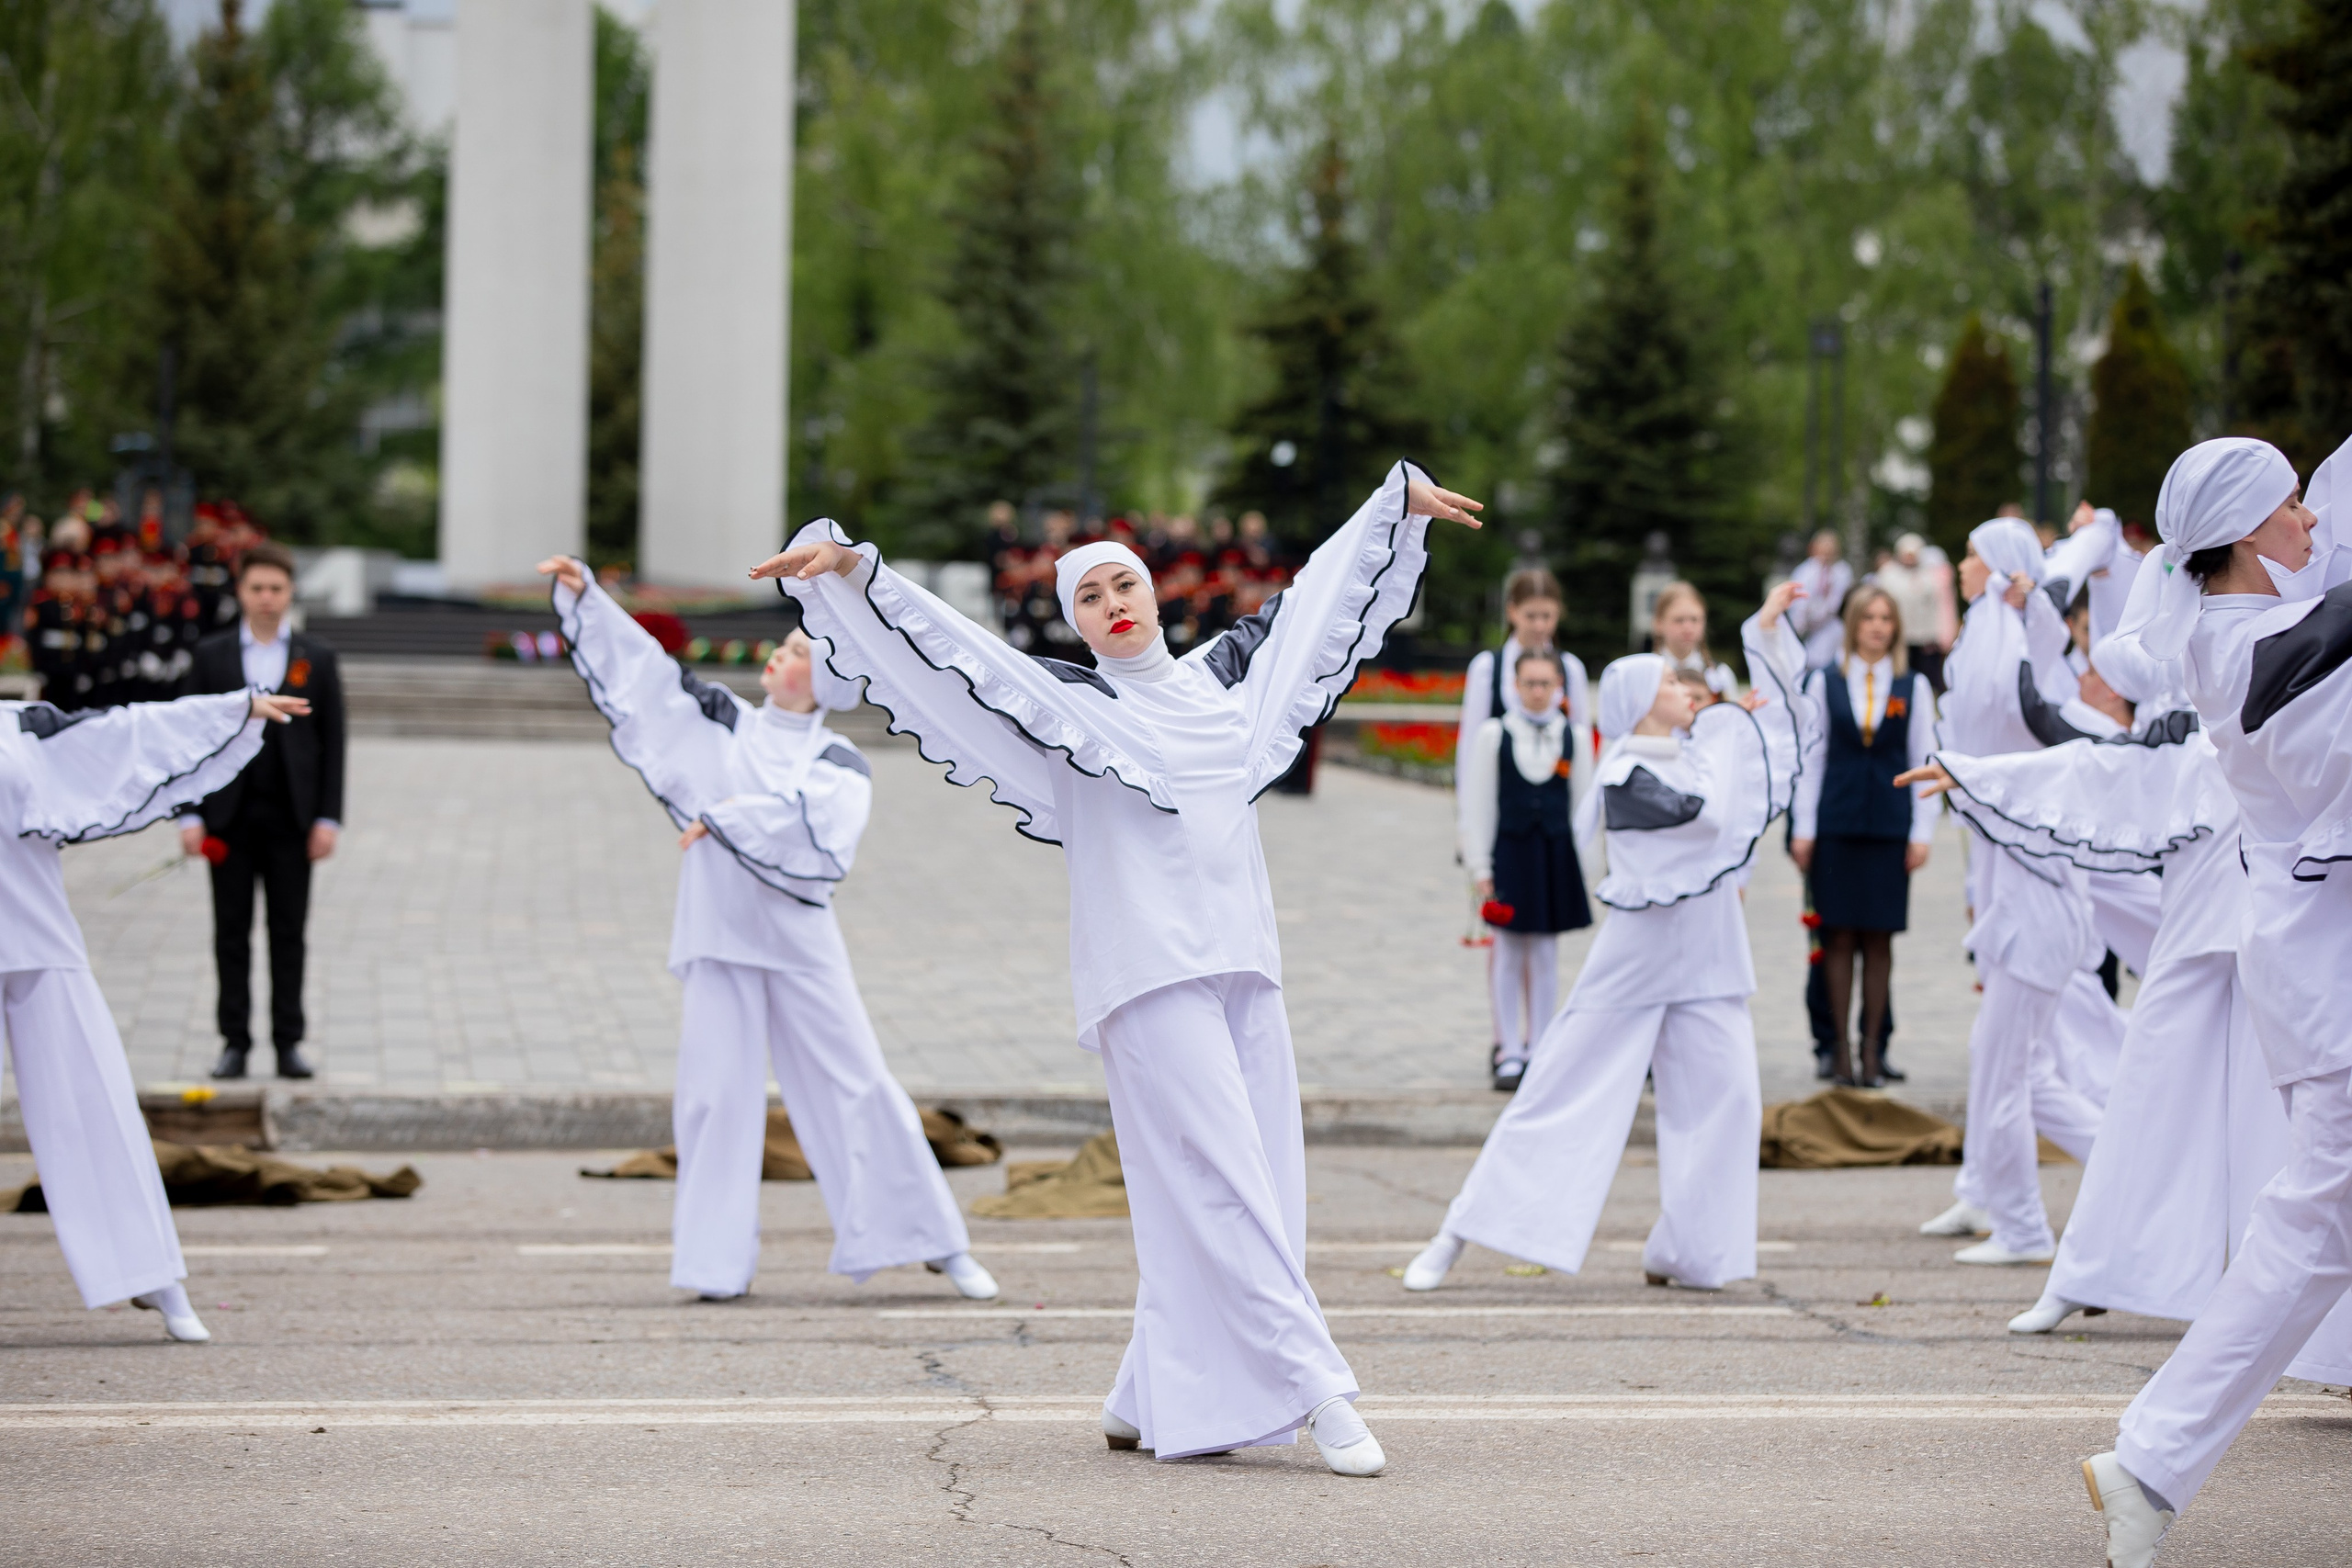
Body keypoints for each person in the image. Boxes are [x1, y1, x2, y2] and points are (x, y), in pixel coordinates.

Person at [754, 460, 1484, 1475]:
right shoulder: (1068, 710)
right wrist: (854, 571)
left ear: (1151, 593)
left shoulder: (1226, 687)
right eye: (1087, 597)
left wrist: (1389, 507)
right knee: (1224, 1183)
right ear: (1076, 622)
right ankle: (1319, 1390)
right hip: (1146, 981)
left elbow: (1310, 601)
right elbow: (950, 653)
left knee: (1262, 1185)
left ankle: (1146, 1390)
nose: (1111, 605)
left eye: (1123, 586)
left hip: (1244, 966)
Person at [540, 556, 995, 1304]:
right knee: (715, 1095)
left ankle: (937, 1244)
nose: (781, 656)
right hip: (718, 931)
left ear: (826, 685)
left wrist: (721, 818)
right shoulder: (724, 721)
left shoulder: (837, 761)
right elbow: (650, 678)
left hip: (797, 942)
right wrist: (590, 599)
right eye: (783, 647)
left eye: (799, 653)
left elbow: (817, 833)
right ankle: (715, 1264)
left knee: (859, 1083)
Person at [2074, 434, 2352, 1567]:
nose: (2311, 523)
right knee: (2307, 1231)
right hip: (2329, 988)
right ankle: (2149, 1459)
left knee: (2310, 1231)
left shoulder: (2248, 633)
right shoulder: (2261, 655)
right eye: (2292, 509)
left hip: (2318, 977)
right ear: (2245, 535)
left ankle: (2151, 1460)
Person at [1401, 581, 1810, 1298]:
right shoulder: (1626, 773)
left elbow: (1781, 737)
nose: (1689, 688)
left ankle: (1691, 1250)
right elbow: (1705, 817)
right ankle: (1455, 1231)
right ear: (1641, 702)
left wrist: (1765, 636)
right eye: (1672, 683)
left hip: (1711, 957)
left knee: (1734, 1099)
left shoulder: (1704, 751)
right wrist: (1733, 734)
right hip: (1639, 961)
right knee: (1555, 1088)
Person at [4, 677, 309, 1341]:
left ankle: (152, 1273)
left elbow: (124, 728)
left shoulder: (23, 726)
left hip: (35, 935)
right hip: (34, 938)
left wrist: (231, 709)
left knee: (97, 1104)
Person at [1916, 519, 2104, 1260]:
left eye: (1971, 555)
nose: (1960, 566)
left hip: (2037, 907)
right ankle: (2000, 1198)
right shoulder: (2001, 633)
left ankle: (2028, 1223)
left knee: (2008, 1075)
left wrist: (2028, 604)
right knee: (2019, 1068)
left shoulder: (2019, 650)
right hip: (2019, 900)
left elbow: (2006, 694)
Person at [176, 541, 345, 1081]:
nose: (267, 599)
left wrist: (327, 818)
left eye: (276, 589)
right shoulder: (212, 656)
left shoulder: (315, 658)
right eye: (257, 589)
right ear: (241, 592)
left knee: (288, 932)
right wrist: (189, 816)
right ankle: (234, 1042)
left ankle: (289, 1041)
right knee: (230, 932)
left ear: (290, 592)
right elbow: (186, 739)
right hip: (229, 817)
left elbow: (333, 742)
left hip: (292, 819)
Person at [1789, 585, 1938, 1087]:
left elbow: (1924, 759)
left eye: (1886, 619)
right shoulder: (1824, 682)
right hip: (1837, 824)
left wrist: (1922, 832)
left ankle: (1872, 1051)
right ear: (1853, 624)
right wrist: (1804, 826)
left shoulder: (1911, 685)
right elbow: (1812, 758)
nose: (1878, 626)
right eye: (1869, 618)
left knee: (1878, 943)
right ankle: (1841, 1056)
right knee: (1836, 939)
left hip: (1888, 828)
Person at [1455, 568, 1592, 1087]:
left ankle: (1541, 1042)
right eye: (1530, 615)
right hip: (1502, 820)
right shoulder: (1489, 669)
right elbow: (1471, 746)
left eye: (1547, 615)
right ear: (1513, 613)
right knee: (1505, 939)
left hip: (1551, 827)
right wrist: (1471, 842)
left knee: (1544, 943)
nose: (1539, 624)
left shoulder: (1569, 670)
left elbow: (1578, 750)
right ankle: (1506, 1042)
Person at [1872, 533, 1954, 692]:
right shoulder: (1888, 574)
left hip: (1926, 639)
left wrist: (1943, 635)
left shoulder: (1931, 575)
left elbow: (1942, 606)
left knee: (1927, 680)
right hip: (1899, 636)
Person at [1647, 580, 1735, 695]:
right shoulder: (1647, 673)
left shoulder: (1720, 674)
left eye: (1694, 619)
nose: (1688, 628)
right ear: (1658, 623)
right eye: (1679, 620)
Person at [1788, 529, 1853, 670]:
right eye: (1824, 548)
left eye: (1831, 548)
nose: (1827, 553)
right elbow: (1799, 603)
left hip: (1833, 627)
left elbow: (1839, 602)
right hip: (1807, 627)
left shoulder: (1843, 571)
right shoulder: (1804, 571)